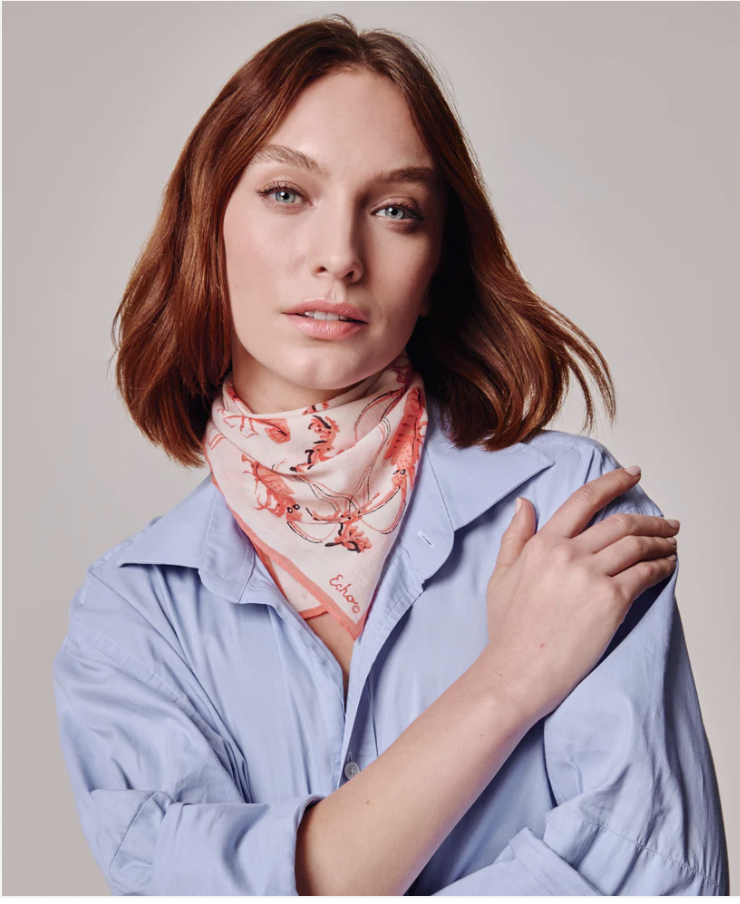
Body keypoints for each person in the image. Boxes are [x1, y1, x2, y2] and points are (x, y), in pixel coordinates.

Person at [52, 14, 729, 897]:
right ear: (206, 228)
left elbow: (660, 875)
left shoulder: (573, 510)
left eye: (394, 210)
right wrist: (509, 680)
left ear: (436, 261)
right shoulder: (135, 619)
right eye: (288, 194)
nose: (338, 257)